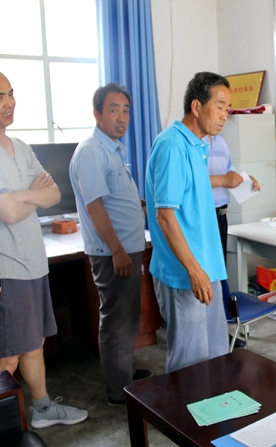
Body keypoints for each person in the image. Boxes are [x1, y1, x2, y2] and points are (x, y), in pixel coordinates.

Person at [0, 65, 88, 428]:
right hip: (4, 266)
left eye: (11, 93)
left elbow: (54, 193)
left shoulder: (21, 147)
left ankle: (42, 410)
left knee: (34, 343)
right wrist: (30, 195)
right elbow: (9, 213)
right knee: (8, 354)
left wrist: (23, 194)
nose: (9, 103)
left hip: (32, 261)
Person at [69, 82, 152, 407]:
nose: (122, 117)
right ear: (97, 114)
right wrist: (117, 250)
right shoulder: (92, 151)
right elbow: (95, 207)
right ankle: (119, 392)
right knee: (116, 320)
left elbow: (114, 200)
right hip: (113, 252)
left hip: (126, 247)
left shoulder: (113, 149)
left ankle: (124, 375)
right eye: (114, 109)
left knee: (127, 317)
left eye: (126, 110)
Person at [145, 72, 230, 373]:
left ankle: (215, 405)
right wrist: (194, 270)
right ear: (196, 106)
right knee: (190, 364)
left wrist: (203, 270)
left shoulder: (197, 146)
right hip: (186, 273)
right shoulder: (172, 145)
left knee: (216, 354)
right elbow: (165, 217)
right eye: (219, 106)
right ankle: (186, 407)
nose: (225, 115)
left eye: (228, 108)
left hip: (207, 268)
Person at [204, 133, 261, 349]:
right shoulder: (192, 141)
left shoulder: (220, 141)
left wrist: (245, 181)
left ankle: (219, 331)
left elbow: (229, 175)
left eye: (226, 115)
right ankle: (210, 335)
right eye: (219, 114)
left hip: (220, 215)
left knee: (219, 275)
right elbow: (191, 179)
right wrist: (223, 180)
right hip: (203, 216)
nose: (223, 118)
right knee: (208, 277)